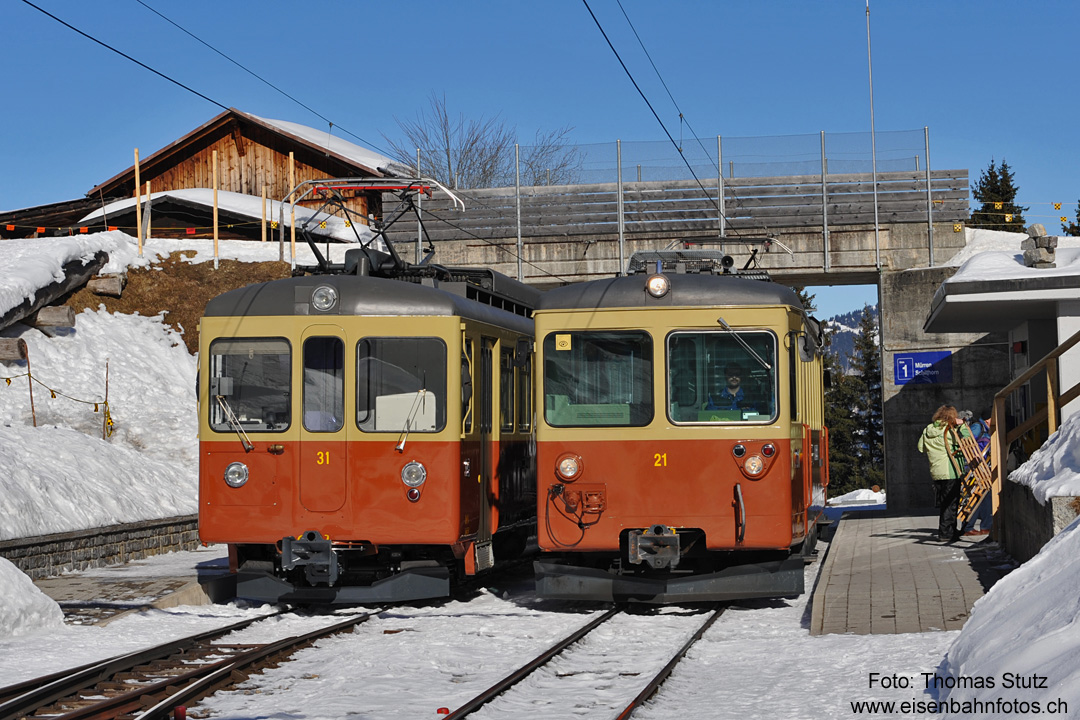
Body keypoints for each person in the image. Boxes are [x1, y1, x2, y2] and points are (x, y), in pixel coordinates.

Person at [917, 404, 972, 542]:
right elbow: (968, 440)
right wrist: (962, 426)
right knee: (951, 503)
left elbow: (920, 448)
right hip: (950, 470)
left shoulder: (928, 429)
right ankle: (946, 533)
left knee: (945, 503)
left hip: (936, 471)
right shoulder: (950, 430)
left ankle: (950, 530)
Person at [960, 412, 993, 536]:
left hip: (983, 467)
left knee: (985, 496)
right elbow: (966, 442)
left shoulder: (987, 429)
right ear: (988, 418)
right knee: (976, 496)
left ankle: (985, 526)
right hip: (976, 467)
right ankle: (967, 527)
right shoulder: (978, 427)